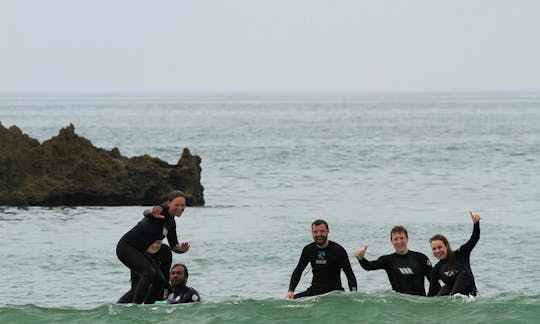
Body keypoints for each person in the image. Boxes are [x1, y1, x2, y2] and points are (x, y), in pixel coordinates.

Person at [116, 190, 190, 304]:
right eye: (177, 205)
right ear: (168, 203)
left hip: (140, 251)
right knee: (149, 273)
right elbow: (145, 212)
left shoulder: (171, 223)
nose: (180, 208)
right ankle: (136, 307)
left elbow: (173, 245)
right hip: (126, 247)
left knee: (160, 280)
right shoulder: (160, 212)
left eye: (183, 205)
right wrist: (151, 212)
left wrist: (181, 250)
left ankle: (149, 307)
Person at [354, 225, 438, 296]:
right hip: (399, 302)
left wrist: (429, 299)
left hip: (419, 300)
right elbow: (368, 266)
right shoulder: (387, 260)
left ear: (407, 239)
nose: (399, 241)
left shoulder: (421, 258)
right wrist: (361, 258)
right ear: (391, 241)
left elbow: (433, 281)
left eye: (402, 238)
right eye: (395, 239)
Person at [285, 219, 357, 299]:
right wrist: (291, 291)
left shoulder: (338, 250)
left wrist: (354, 294)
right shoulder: (308, 250)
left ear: (328, 231)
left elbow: (349, 274)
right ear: (312, 233)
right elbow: (298, 271)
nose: (319, 234)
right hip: (315, 291)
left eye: (322, 231)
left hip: (334, 292)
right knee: (290, 302)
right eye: (315, 232)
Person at [427, 211, 481, 297]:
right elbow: (431, 292)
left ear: (447, 246)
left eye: (440, 247)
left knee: (463, 275)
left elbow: (474, 239)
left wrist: (476, 224)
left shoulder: (461, 253)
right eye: (434, 249)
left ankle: (454, 299)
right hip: (452, 296)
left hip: (469, 295)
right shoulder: (437, 269)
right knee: (445, 288)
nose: (437, 251)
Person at [117, 240, 172, 304]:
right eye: (152, 242)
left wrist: (165, 295)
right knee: (120, 303)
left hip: (160, 287)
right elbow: (134, 282)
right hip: (140, 286)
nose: (155, 245)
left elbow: (166, 275)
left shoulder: (165, 250)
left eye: (158, 242)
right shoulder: (138, 251)